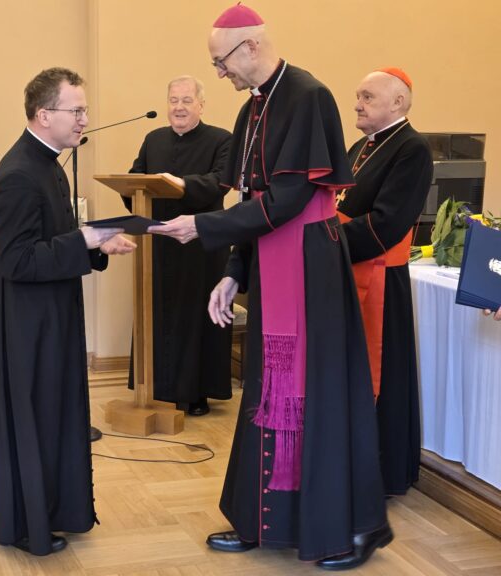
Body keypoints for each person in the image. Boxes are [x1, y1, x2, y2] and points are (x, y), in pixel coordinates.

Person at [150, 5, 390, 570]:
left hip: (310, 268)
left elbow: (287, 201)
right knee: (268, 392)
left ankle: (348, 530)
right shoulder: (253, 108)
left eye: (221, 61)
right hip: (273, 262)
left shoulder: (309, 96)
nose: (219, 74)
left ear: (252, 47)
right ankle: (263, 520)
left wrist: (203, 226)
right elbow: (253, 200)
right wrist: (233, 272)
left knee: (318, 398)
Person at [0, 67, 136, 556]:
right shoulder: (17, 175)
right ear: (44, 115)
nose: (85, 119)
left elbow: (55, 238)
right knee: (37, 416)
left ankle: (53, 510)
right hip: (30, 322)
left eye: (85, 110)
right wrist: (84, 238)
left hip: (52, 314)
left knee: (55, 413)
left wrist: (96, 245)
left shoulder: (49, 163)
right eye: (77, 110)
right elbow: (17, 260)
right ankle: (28, 524)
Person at [336, 68, 433, 495]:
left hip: (381, 280)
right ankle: (346, 464)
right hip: (346, 271)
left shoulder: (412, 148)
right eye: (358, 96)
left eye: (367, 97)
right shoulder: (360, 146)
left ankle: (379, 473)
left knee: (381, 377)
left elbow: (388, 222)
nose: (357, 104)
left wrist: (327, 240)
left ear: (397, 102)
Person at [123, 76, 232, 416]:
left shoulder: (222, 139)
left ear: (201, 104)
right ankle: (155, 388)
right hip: (158, 246)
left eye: (186, 100)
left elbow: (220, 182)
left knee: (195, 319)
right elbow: (135, 177)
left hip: (201, 247)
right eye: (173, 100)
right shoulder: (153, 139)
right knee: (156, 314)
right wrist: (132, 188)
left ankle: (196, 394)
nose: (179, 107)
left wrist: (181, 183)